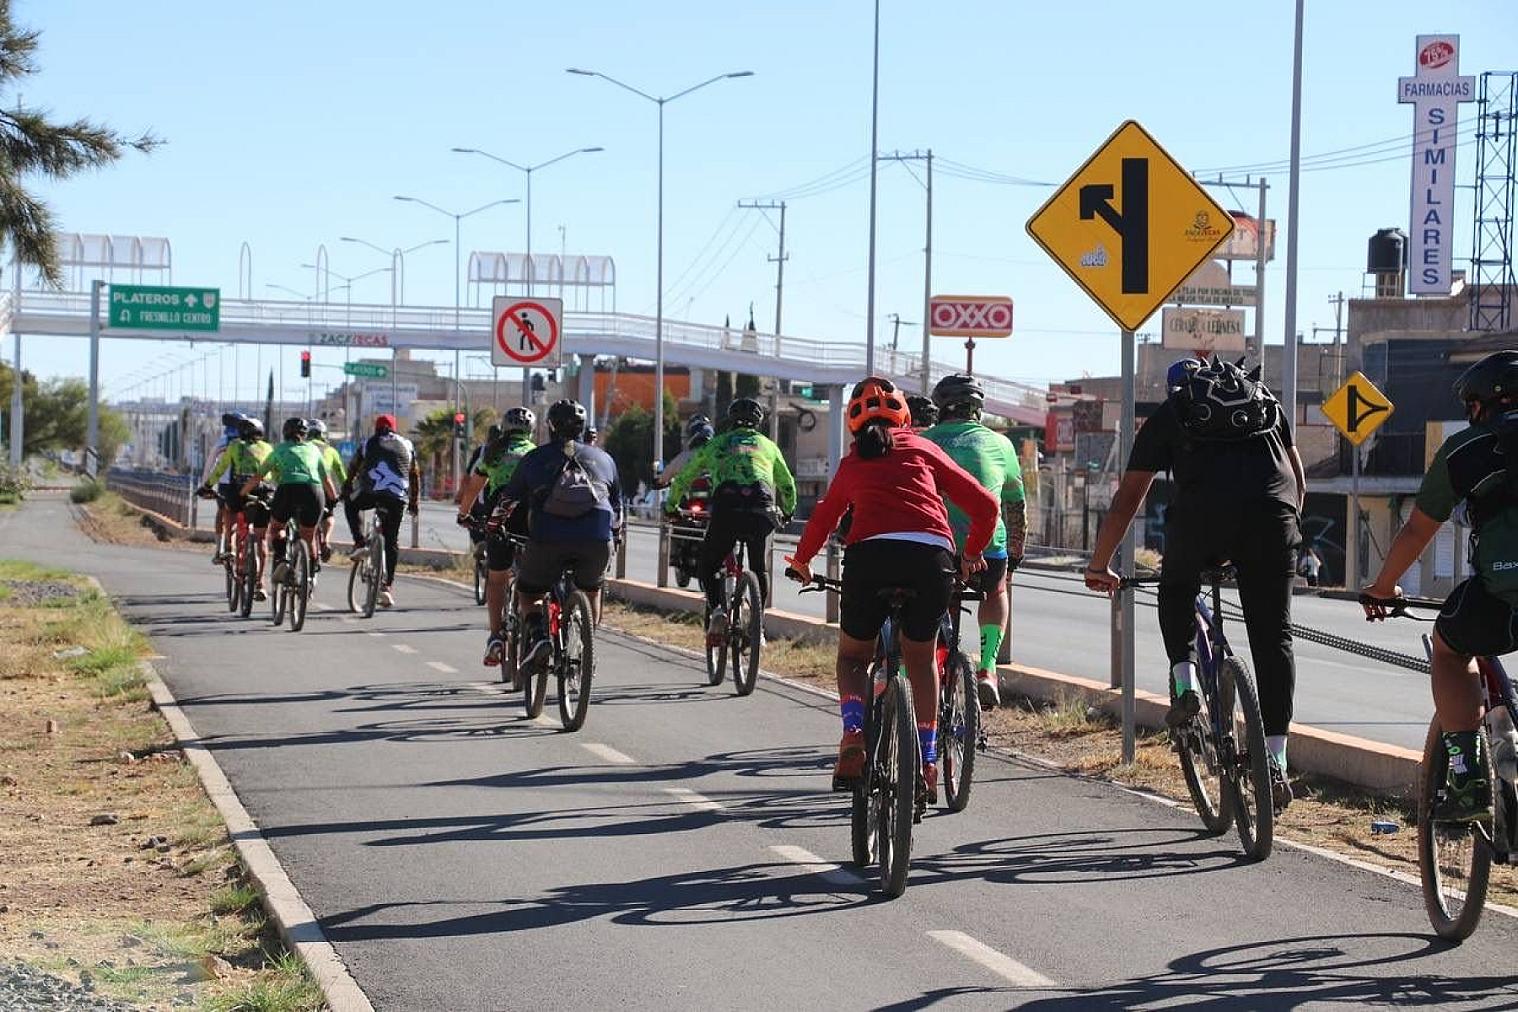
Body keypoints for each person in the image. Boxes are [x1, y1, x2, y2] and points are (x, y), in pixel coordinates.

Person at [1084, 355, 1305, 812]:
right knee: (1273, 636)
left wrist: (1100, 564)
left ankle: (1185, 686)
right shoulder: (1264, 403)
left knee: (1176, 588)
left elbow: (1129, 499)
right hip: (1274, 518)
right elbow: (1298, 480)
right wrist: (1282, 537)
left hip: (1202, 521)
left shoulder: (1173, 411)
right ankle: (1276, 759)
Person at [787, 377, 997, 803]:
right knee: (921, 659)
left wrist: (802, 562)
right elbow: (986, 505)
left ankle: (853, 733)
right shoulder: (923, 448)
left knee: (853, 657)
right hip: (930, 560)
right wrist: (973, 553)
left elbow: (825, 517)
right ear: (904, 417)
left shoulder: (852, 462)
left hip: (870, 559)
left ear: (852, 424)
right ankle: (928, 760)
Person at [1362, 350, 1518, 821]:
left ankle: (1467, 782)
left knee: (1449, 649)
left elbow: (1417, 530)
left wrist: (1382, 588)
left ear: (1482, 404)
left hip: (1503, 595)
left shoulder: (1466, 448)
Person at [921, 374, 1027, 708]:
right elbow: (1015, 506)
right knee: (996, 591)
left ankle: (930, 667)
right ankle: (987, 669)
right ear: (977, 411)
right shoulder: (1002, 445)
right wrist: (1015, 555)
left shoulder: (923, 441)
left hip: (935, 550)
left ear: (940, 408)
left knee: (932, 600)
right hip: (986, 551)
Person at [494, 400, 622, 670]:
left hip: (548, 537)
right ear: (583, 427)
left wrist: (494, 525)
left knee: (529, 591)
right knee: (592, 589)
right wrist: (615, 538)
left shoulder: (534, 458)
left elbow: (507, 501)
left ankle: (539, 636)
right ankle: (584, 648)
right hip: (596, 538)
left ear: (550, 426)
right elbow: (618, 509)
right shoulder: (604, 459)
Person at [666, 397, 797, 646]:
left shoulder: (717, 444)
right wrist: (788, 511)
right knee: (759, 569)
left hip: (727, 507)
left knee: (709, 564)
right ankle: (758, 626)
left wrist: (671, 506)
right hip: (761, 507)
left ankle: (718, 610)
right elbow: (787, 483)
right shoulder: (768, 446)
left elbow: (685, 477)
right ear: (758, 423)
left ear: (731, 419)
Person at [455, 408, 537, 667]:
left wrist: (464, 514)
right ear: (531, 431)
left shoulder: (493, 452)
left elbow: (473, 487)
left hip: (501, 518)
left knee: (497, 578)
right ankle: (536, 629)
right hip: (531, 520)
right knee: (534, 580)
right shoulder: (536, 453)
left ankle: (495, 637)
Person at [241, 417, 339, 589]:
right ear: (305, 434)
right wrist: (333, 498)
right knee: (309, 535)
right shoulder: (314, 450)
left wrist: (243, 493)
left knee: (277, 528)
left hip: (288, 489)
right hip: (313, 492)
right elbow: (326, 480)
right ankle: (311, 572)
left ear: (285, 433)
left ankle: (282, 559)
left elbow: (258, 476)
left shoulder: (280, 449)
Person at [343, 414, 420, 609]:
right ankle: (387, 587)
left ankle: (359, 542)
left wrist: (346, 487)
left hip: (371, 492)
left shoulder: (368, 443)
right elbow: (414, 475)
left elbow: (353, 468)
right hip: (397, 497)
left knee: (351, 504)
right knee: (391, 541)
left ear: (376, 428)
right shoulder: (407, 444)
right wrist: (414, 502)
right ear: (394, 428)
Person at [202, 417, 272, 600]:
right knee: (261, 538)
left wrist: (207, 485)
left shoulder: (234, 446)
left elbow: (221, 468)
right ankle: (260, 583)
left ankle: (232, 547)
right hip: (263, 492)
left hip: (240, 491)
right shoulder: (268, 448)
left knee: (230, 513)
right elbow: (275, 472)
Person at [202, 412, 245, 564]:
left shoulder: (222, 442)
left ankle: (220, 549)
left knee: (222, 513)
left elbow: (210, 464)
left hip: (225, 484)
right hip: (246, 484)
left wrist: (205, 485)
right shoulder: (249, 443)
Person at [305, 418, 347, 563]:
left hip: (305, 486)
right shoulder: (331, 451)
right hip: (325, 487)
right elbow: (341, 473)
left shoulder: (302, 447)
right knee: (328, 514)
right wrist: (346, 490)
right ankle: (326, 540)